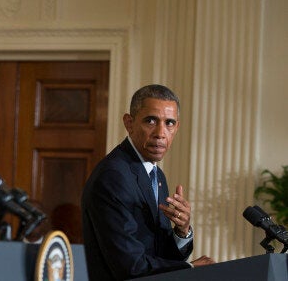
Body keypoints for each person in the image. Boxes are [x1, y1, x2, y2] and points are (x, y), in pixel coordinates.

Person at [81, 84, 215, 280]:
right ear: (129, 123)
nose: (160, 133)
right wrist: (191, 268)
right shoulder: (113, 177)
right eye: (151, 121)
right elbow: (130, 266)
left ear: (176, 128)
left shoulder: (156, 175)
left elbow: (162, 255)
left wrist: (182, 230)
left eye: (169, 123)